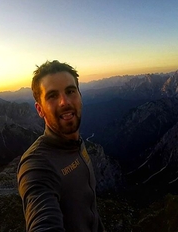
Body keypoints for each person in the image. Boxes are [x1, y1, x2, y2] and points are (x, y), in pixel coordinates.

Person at [17, 60, 105, 231]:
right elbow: (42, 221)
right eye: (52, 96)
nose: (64, 102)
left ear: (80, 96)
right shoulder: (37, 164)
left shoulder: (76, 143)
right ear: (40, 109)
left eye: (70, 91)